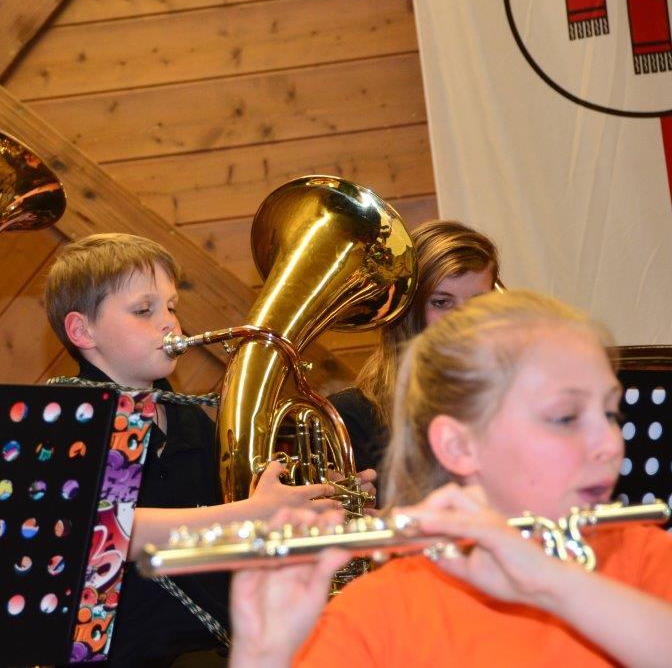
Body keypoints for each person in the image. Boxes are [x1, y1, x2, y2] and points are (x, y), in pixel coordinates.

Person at [230, 290, 672, 667]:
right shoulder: (381, 612)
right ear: (459, 446)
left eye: (610, 413)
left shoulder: (642, 556)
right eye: (566, 417)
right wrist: (262, 656)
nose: (610, 443)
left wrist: (551, 582)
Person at [44, 233, 374, 667]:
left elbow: (236, 528)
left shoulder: (188, 419)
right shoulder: (70, 420)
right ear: (82, 330)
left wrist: (313, 502)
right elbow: (98, 528)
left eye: (171, 306)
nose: (169, 323)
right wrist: (250, 513)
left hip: (218, 646)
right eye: (144, 310)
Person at [331, 220, 500, 474]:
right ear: (408, 310)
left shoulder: (514, 400)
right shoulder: (350, 417)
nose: (464, 321)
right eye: (441, 302)